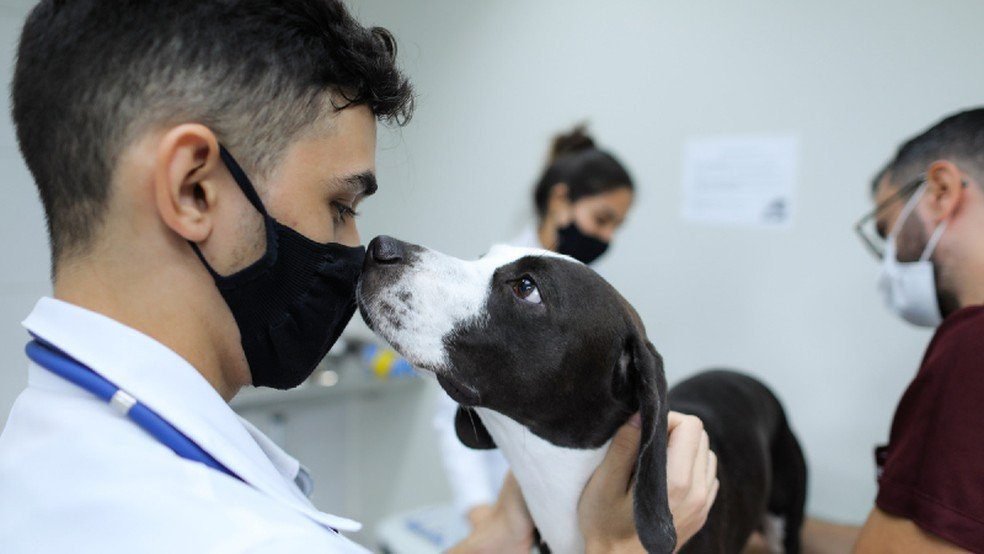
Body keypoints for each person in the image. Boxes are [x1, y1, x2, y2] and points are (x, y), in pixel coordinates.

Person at [0, 1, 715, 552]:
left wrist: (500, 531)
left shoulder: (42, 451)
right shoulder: (232, 535)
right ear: (194, 190)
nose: (357, 245)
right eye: (340, 204)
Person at [434, 125, 718, 549]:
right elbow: (449, 408)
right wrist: (486, 517)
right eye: (602, 219)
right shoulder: (498, 281)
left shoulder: (581, 296)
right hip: (508, 508)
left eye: (615, 227)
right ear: (561, 201)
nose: (606, 237)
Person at [763, 108, 984, 554]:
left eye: (887, 232)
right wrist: (772, 530)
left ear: (941, 191)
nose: (890, 260)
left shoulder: (972, 346)